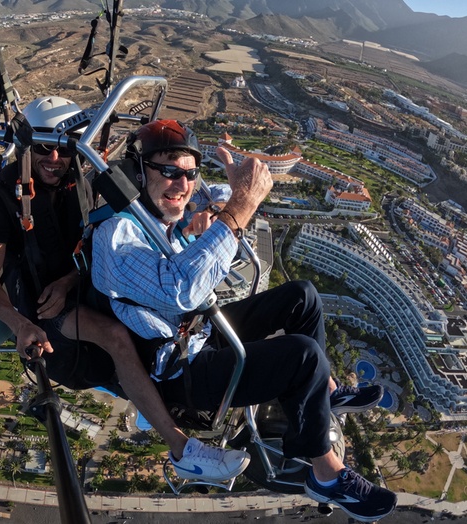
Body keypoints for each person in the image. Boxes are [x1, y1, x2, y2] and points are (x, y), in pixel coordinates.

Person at [91, 119, 396, 522]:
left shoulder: (157, 223)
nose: (181, 184)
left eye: (188, 173)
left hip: (196, 333)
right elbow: (181, 289)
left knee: (301, 296)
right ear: (135, 173)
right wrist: (241, 204)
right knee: (301, 357)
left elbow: (200, 218)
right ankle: (326, 475)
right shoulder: (118, 235)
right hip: (179, 372)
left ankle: (327, 392)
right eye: (168, 170)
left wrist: (214, 211)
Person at [0, 97, 250, 482]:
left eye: (65, 145)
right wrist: (19, 324)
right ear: (26, 146)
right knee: (116, 336)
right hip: (43, 307)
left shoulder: (78, 182)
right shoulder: (0, 201)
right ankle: (181, 448)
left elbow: (96, 238)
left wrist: (72, 278)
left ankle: (191, 384)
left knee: (168, 301)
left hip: (81, 282)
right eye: (43, 148)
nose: (55, 157)